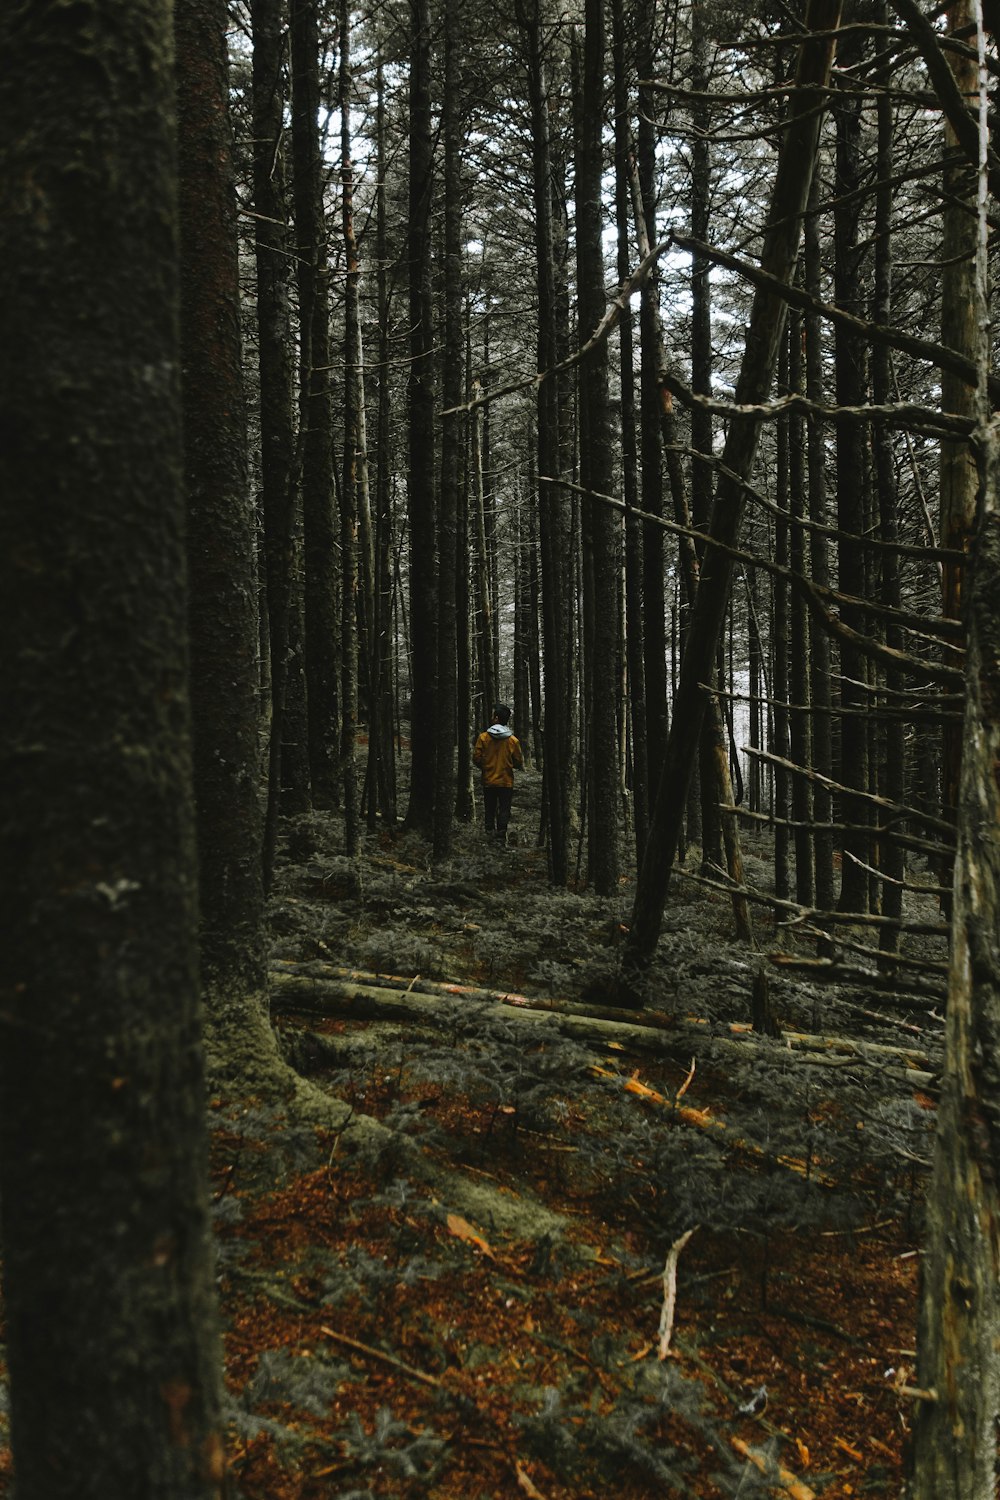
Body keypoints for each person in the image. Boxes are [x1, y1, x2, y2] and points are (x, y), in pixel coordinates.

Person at [473, 703, 524, 843]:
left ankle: (489, 836)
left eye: (492, 714)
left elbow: (476, 758)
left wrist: (486, 767)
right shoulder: (513, 741)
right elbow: (519, 761)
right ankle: (501, 838)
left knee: (489, 809)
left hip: (488, 780)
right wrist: (508, 765)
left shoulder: (483, 738)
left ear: (496, 718)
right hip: (506, 781)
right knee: (504, 809)